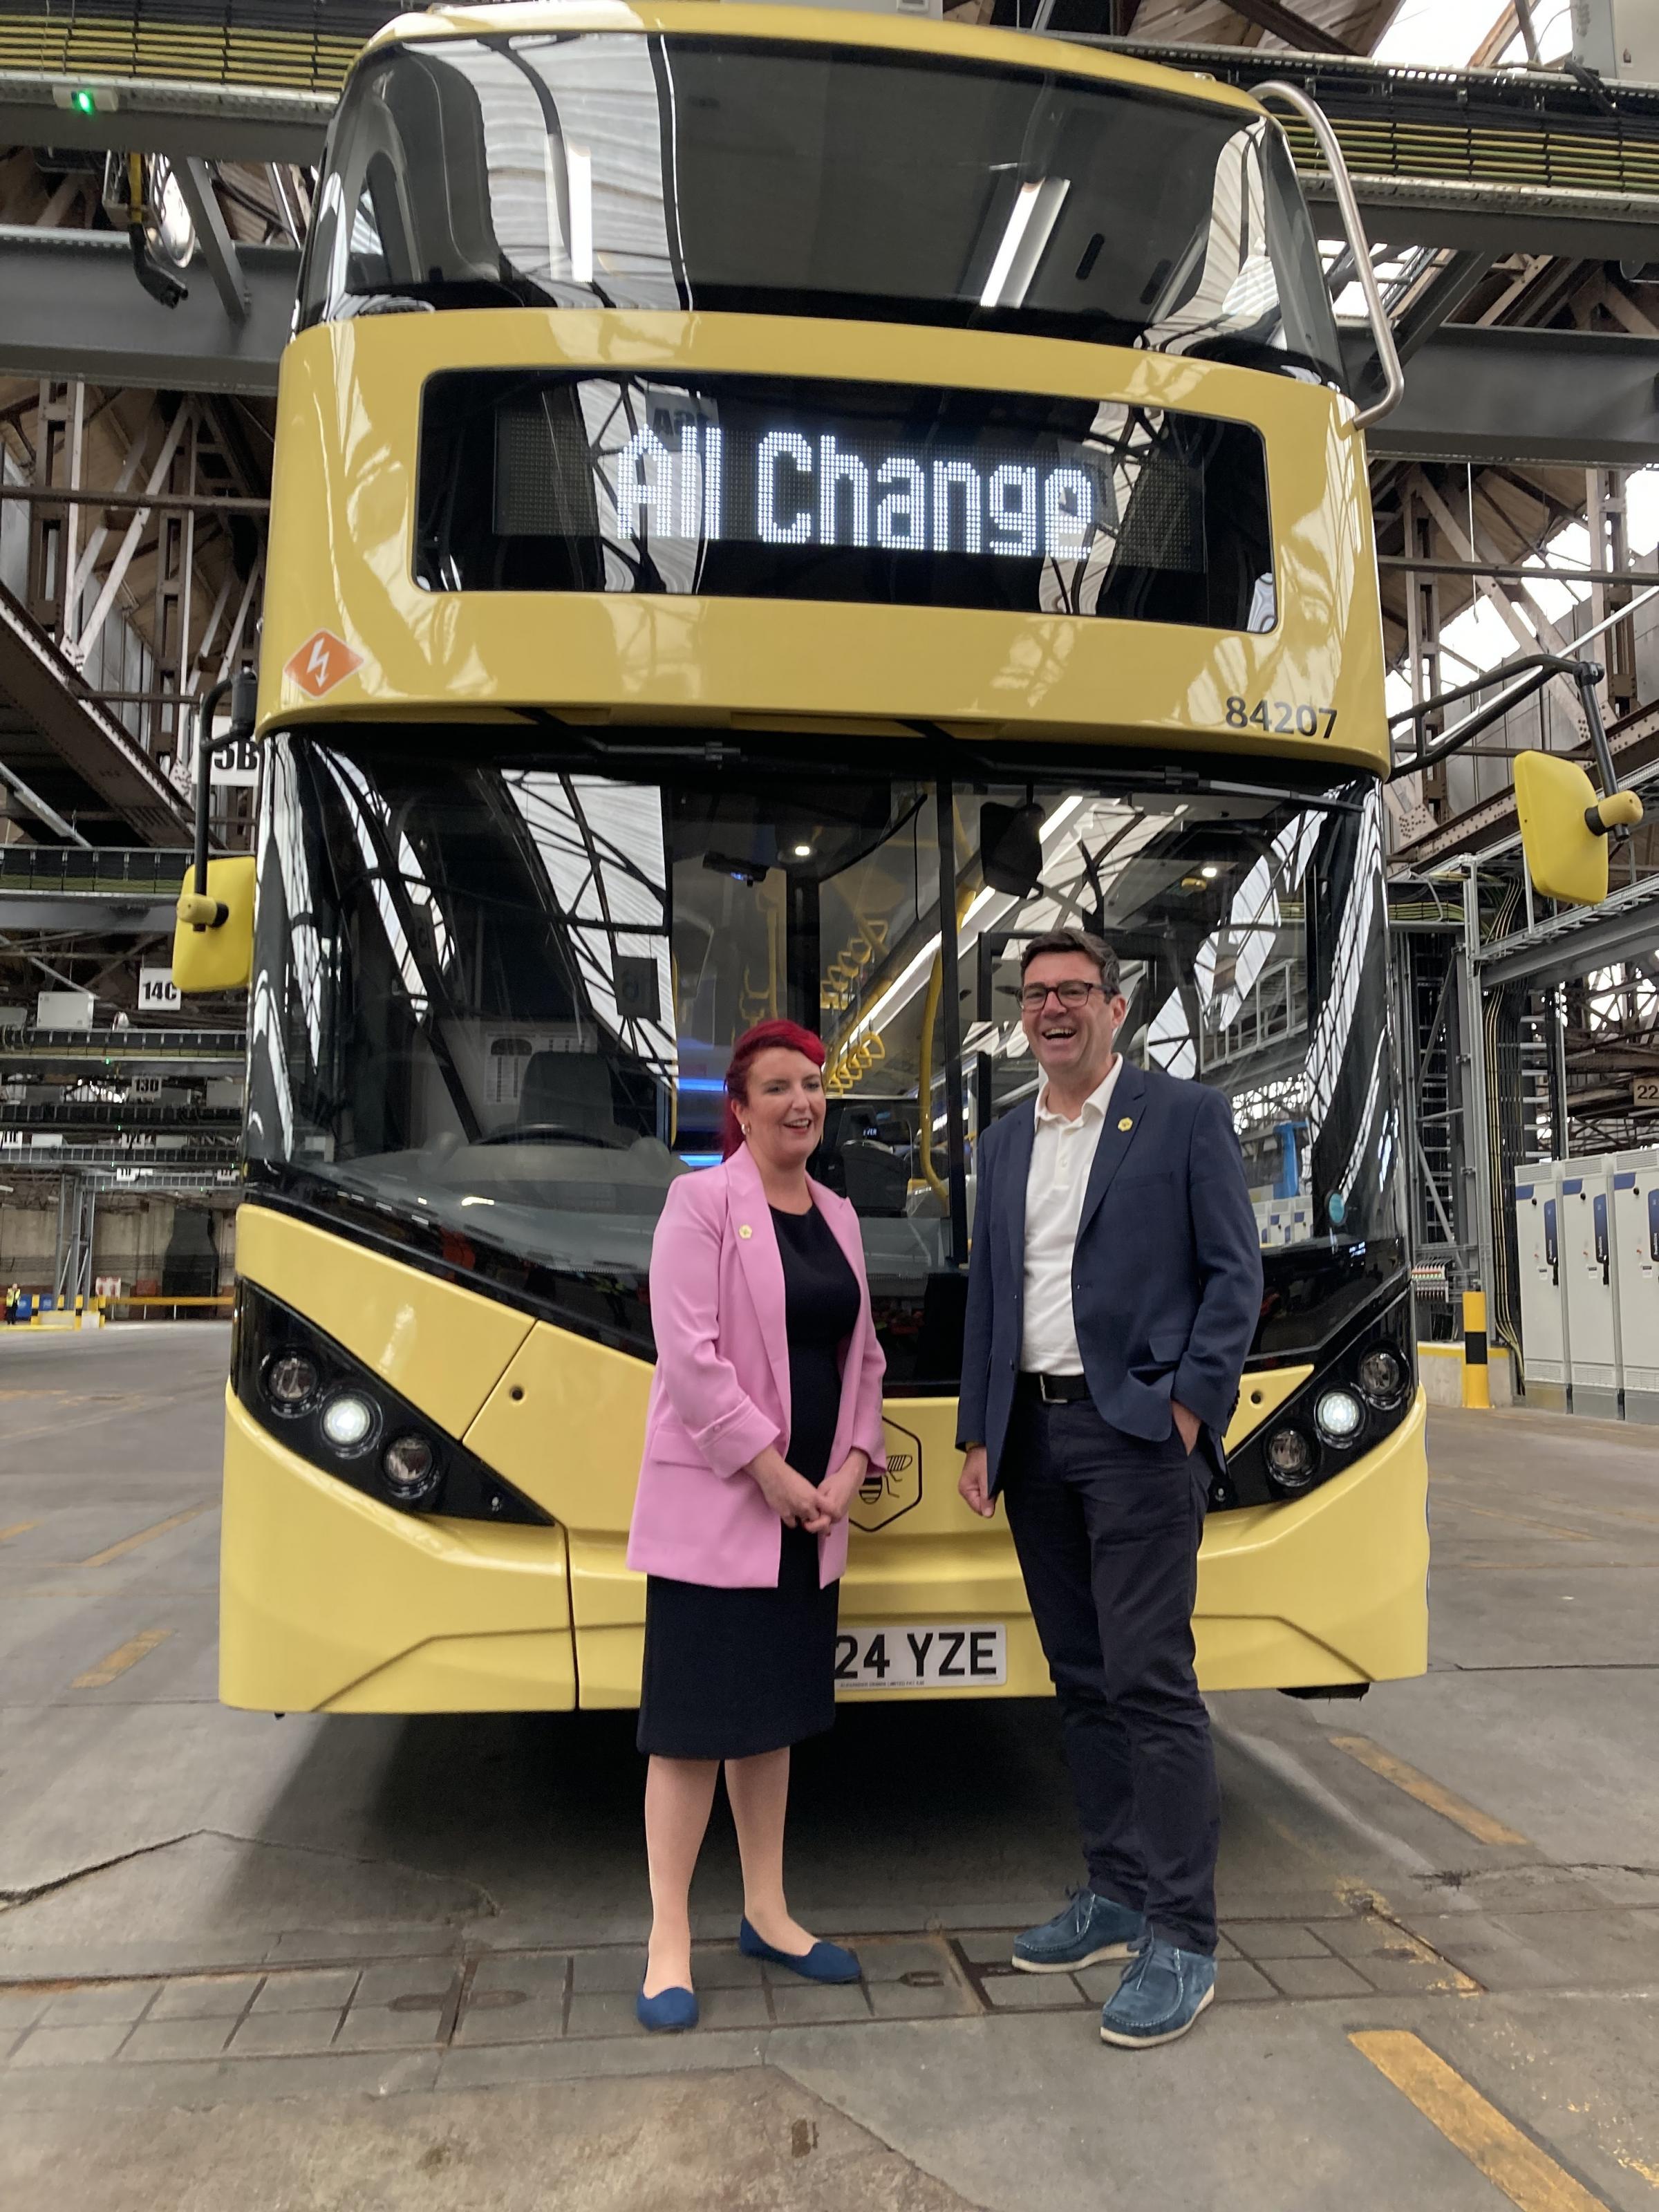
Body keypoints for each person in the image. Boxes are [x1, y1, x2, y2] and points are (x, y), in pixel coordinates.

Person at [957, 928, 1262, 2050]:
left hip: (1135, 1438)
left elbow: (1235, 1275)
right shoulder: (1004, 1140)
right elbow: (996, 1292)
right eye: (1035, 994)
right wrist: (977, 1434)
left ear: (1116, 1008)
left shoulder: (1183, 1119)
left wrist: (1188, 1408)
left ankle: (1182, 1935)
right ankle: (1117, 1890)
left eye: (1073, 991)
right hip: (1033, 1443)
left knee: (1151, 1684)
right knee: (1080, 1680)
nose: (1052, 1009)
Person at [626, 1017, 888, 2032]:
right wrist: (776, 1473)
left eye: (813, 1084)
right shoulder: (700, 1203)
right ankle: (667, 1938)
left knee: (772, 1723)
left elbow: (861, 1359)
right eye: (778, 1086)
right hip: (725, 1509)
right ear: (738, 1110)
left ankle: (768, 1911)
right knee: (692, 1732)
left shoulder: (841, 1216)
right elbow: (689, 1360)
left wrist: (853, 1463)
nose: (801, 1101)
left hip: (810, 1515)